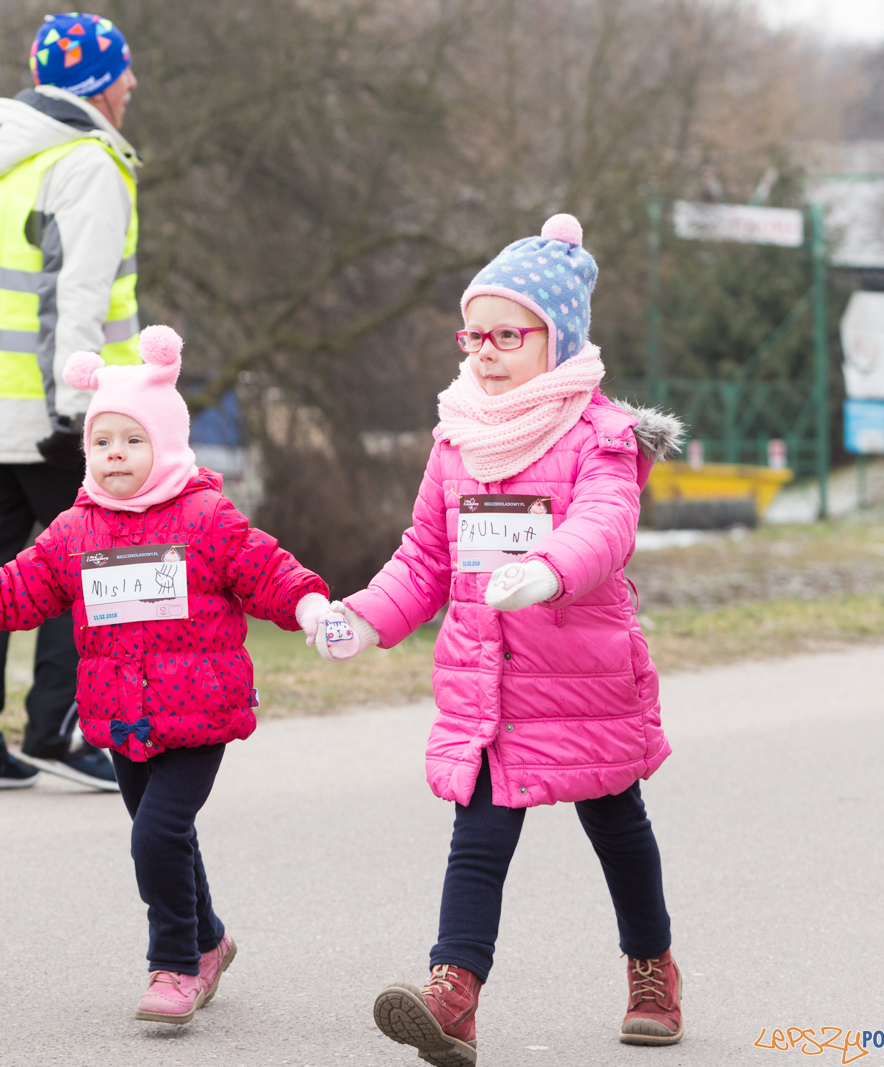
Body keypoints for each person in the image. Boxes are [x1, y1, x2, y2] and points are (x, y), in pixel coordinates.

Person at [309, 215, 687, 1064]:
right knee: (477, 838)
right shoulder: (457, 441)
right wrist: (365, 616)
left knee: (618, 826)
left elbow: (605, 526)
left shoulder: (601, 438)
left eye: (506, 335)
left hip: (583, 679)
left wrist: (550, 569)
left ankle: (651, 969)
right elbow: (424, 558)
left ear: (557, 339)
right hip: (488, 691)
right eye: (473, 334)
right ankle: (453, 996)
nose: (484, 351)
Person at [0, 326, 333, 1024]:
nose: (115, 455)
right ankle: (210, 938)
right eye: (102, 442)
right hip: (122, 717)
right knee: (168, 836)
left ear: (163, 442)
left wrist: (310, 605)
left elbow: (268, 570)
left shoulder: (206, 516)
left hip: (199, 716)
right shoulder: (76, 529)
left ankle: (175, 966)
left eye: (132, 440)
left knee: (155, 835)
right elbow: (18, 588)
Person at [0, 11, 143, 793]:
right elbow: (75, 294)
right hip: (56, 414)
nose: (132, 86)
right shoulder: (88, 162)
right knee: (91, 570)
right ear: (98, 82)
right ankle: (61, 727)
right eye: (123, 73)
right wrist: (75, 410)